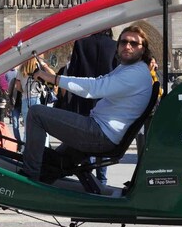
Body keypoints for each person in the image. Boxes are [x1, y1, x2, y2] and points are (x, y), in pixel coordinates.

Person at [21, 25, 154, 184]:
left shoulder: (135, 73)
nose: (127, 46)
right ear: (117, 46)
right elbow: (99, 81)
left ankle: (29, 176)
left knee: (37, 114)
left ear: (143, 49)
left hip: (100, 132)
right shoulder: (128, 68)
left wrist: (54, 79)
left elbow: (95, 88)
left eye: (134, 43)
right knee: (55, 163)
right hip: (100, 130)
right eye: (124, 42)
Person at [58, 29, 118, 184]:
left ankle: (88, 175)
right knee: (103, 136)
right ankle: (102, 179)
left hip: (84, 100)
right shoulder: (114, 46)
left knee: (87, 139)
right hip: (106, 100)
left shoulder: (81, 44)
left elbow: (73, 75)